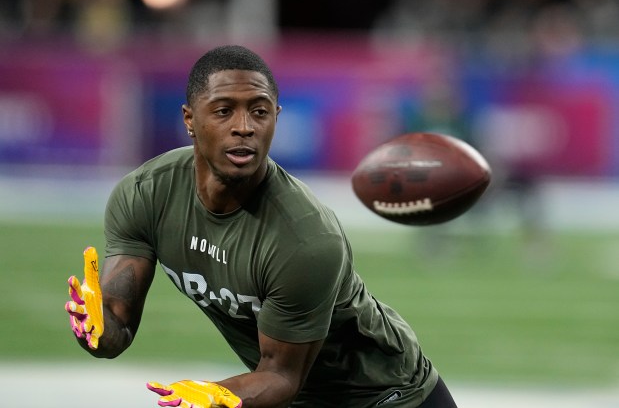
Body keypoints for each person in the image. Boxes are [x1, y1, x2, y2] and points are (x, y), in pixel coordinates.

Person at [64, 45, 458, 408]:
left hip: (388, 396)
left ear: (276, 117)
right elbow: (116, 325)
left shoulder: (306, 239)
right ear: (190, 119)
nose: (244, 127)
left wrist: (219, 393)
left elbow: (282, 376)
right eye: (223, 111)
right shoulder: (146, 195)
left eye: (259, 110)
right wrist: (95, 329)